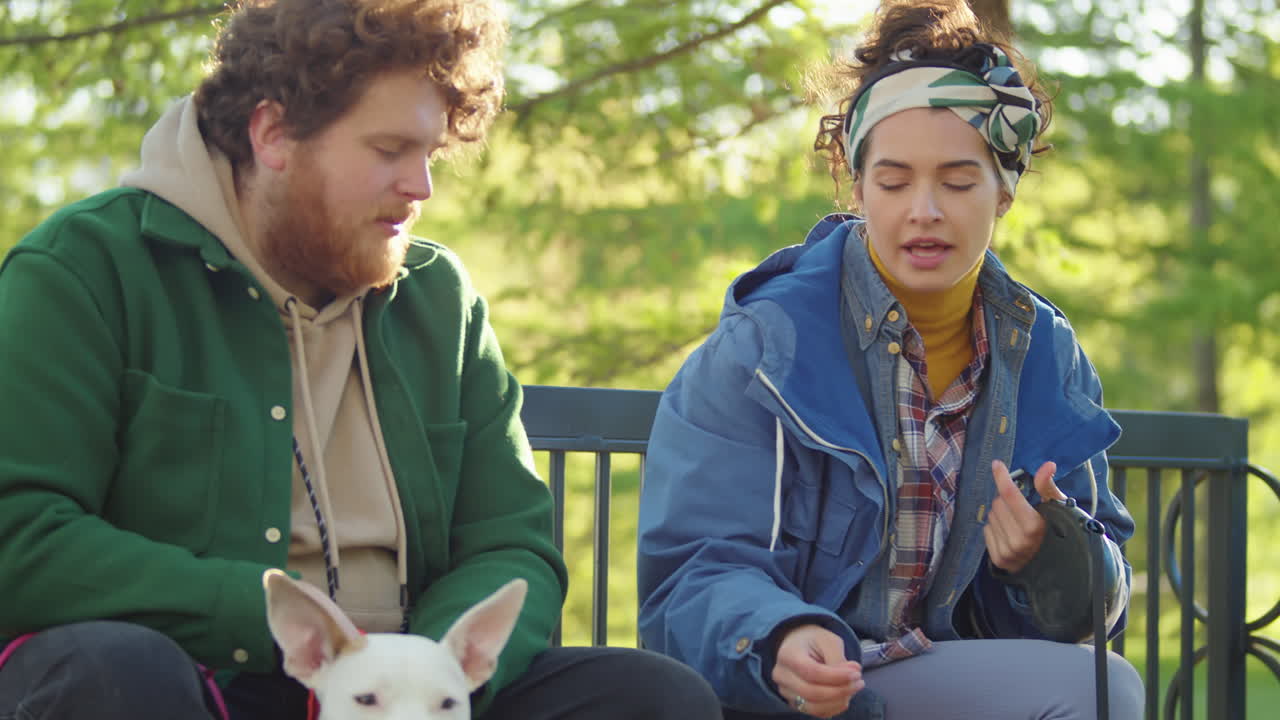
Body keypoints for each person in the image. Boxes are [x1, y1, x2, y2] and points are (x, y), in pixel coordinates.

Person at [0, 1, 721, 719]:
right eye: (388, 151)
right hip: (199, 680)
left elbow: (512, 544)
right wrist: (275, 619)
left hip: (416, 690)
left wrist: (425, 674)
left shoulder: (442, 300)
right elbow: (19, 535)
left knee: (654, 700)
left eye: (431, 155)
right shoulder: (82, 270)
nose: (422, 187)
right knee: (115, 673)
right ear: (274, 134)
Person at [636, 1, 1145, 718]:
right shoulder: (764, 345)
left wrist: (1051, 559)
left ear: (1004, 191)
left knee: (1106, 688)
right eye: (895, 181)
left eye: (959, 182)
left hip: (925, 675)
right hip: (788, 696)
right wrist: (781, 634)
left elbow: (1103, 593)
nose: (924, 210)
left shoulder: (1044, 350)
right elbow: (694, 571)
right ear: (857, 183)